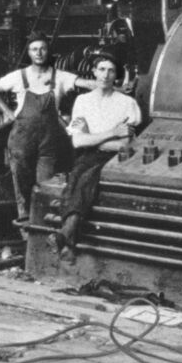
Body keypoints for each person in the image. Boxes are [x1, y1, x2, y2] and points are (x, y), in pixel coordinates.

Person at [0, 32, 97, 220]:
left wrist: (111, 85)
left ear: (48, 51)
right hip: (22, 141)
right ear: (29, 52)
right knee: (22, 184)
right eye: (34, 49)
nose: (39, 53)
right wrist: (8, 113)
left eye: (43, 48)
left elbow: (84, 82)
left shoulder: (60, 77)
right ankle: (24, 224)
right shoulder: (18, 76)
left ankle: (41, 227)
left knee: (45, 185)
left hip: (49, 142)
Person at [53, 53, 142, 260]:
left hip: (113, 158)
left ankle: (65, 237)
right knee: (75, 180)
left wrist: (93, 137)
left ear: (116, 76)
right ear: (94, 73)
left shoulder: (127, 103)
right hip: (87, 155)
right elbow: (77, 141)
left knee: (86, 179)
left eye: (111, 70)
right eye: (101, 69)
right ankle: (67, 241)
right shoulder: (82, 102)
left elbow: (124, 144)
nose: (105, 75)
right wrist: (111, 132)